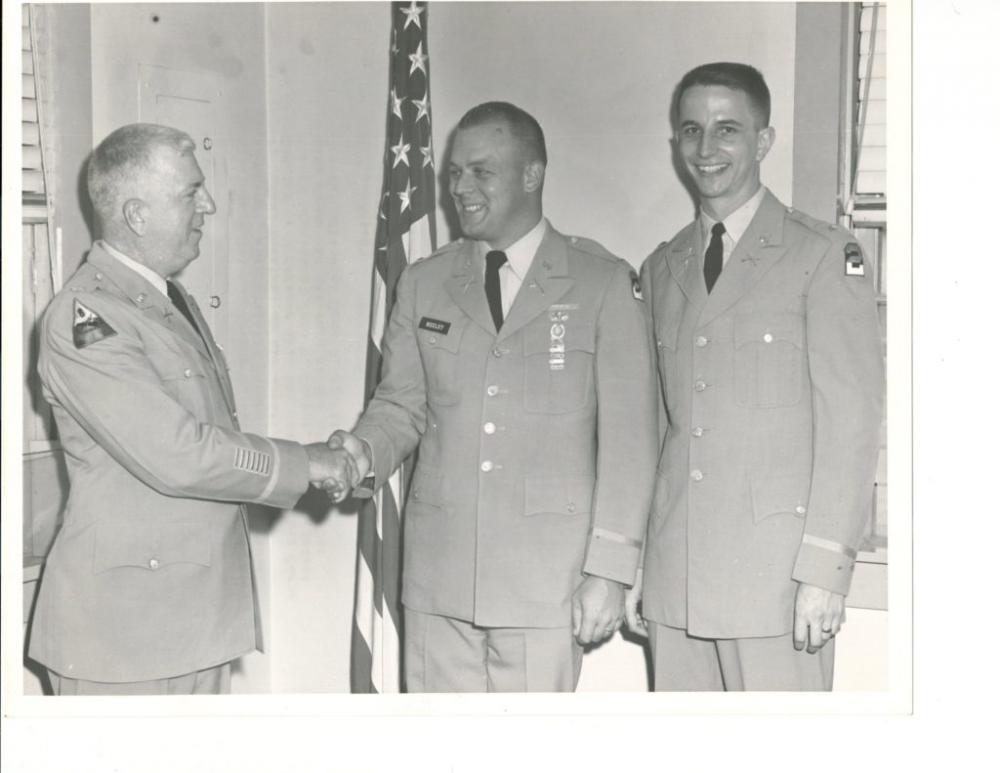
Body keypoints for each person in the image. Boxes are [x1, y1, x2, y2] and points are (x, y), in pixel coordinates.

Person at [326, 102, 658, 692]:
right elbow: (401, 405)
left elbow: (632, 442)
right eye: (454, 173)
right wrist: (361, 453)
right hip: (440, 576)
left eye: (482, 172)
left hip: (546, 581)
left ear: (532, 175)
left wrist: (610, 570)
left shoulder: (601, 281)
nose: (461, 188)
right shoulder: (425, 282)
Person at [28, 123, 343, 695]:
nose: (210, 205)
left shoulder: (165, 302)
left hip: (193, 619)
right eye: (190, 193)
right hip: (125, 636)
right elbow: (178, 453)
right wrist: (307, 463)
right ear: (137, 214)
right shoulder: (85, 318)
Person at [624, 63, 885, 691]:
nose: (706, 149)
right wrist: (636, 562)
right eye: (692, 130)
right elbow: (656, 431)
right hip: (677, 577)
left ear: (763, 141)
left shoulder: (821, 254)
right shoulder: (663, 268)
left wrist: (825, 571)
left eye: (728, 130)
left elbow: (851, 423)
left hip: (778, 582)